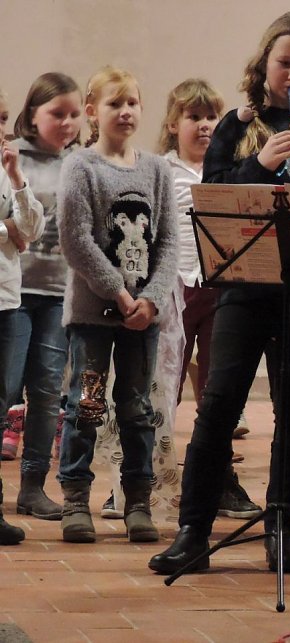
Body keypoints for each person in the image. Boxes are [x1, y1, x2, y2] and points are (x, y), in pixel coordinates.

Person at [148, 11, 290, 575]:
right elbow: (214, 196)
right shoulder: (235, 123)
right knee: (219, 404)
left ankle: (281, 529)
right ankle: (193, 532)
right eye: (285, 63)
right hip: (245, 287)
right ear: (266, 63)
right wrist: (261, 162)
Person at [56, 65, 179, 544]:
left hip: (142, 319)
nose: (125, 112)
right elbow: (76, 241)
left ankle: (138, 502)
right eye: (114, 103)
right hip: (94, 315)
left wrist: (150, 299)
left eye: (132, 103)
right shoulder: (81, 166)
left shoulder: (156, 169)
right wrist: (121, 293)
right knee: (85, 405)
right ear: (92, 112)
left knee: (136, 407)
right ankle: (74, 500)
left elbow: (168, 242)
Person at [158, 78, 260, 520]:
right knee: (163, 387)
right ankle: (144, 478)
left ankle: (220, 481)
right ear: (172, 123)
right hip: (175, 287)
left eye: (211, 117)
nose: (203, 126)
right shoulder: (161, 169)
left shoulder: (230, 169)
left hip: (221, 286)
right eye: (193, 117)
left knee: (217, 393)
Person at [3, 73, 82, 521]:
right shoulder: (12, 157)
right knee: (6, 388)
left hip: (58, 294)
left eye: (73, 114)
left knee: (49, 391)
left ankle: (32, 487)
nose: (67, 122)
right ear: (32, 115)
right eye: (57, 113)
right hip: (14, 291)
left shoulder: (79, 163)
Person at [0, 88, 45, 544]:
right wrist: (5, 228)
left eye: (4, 119)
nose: (0, 129)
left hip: (8, 298)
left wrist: (16, 178)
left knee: (2, 402)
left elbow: (31, 229)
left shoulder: (8, 168)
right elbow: (13, 231)